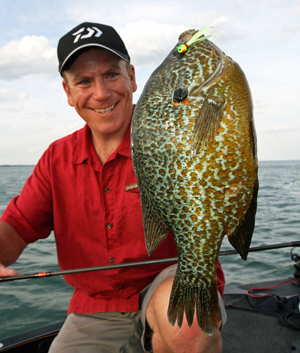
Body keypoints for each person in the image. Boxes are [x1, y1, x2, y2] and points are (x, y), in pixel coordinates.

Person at [0, 22, 226, 353]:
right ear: (68, 93)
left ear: (132, 77)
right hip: (97, 307)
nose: (102, 93)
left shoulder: (176, 138)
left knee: (185, 325)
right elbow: (17, 226)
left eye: (111, 75)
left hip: (170, 282)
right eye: (84, 81)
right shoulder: (56, 158)